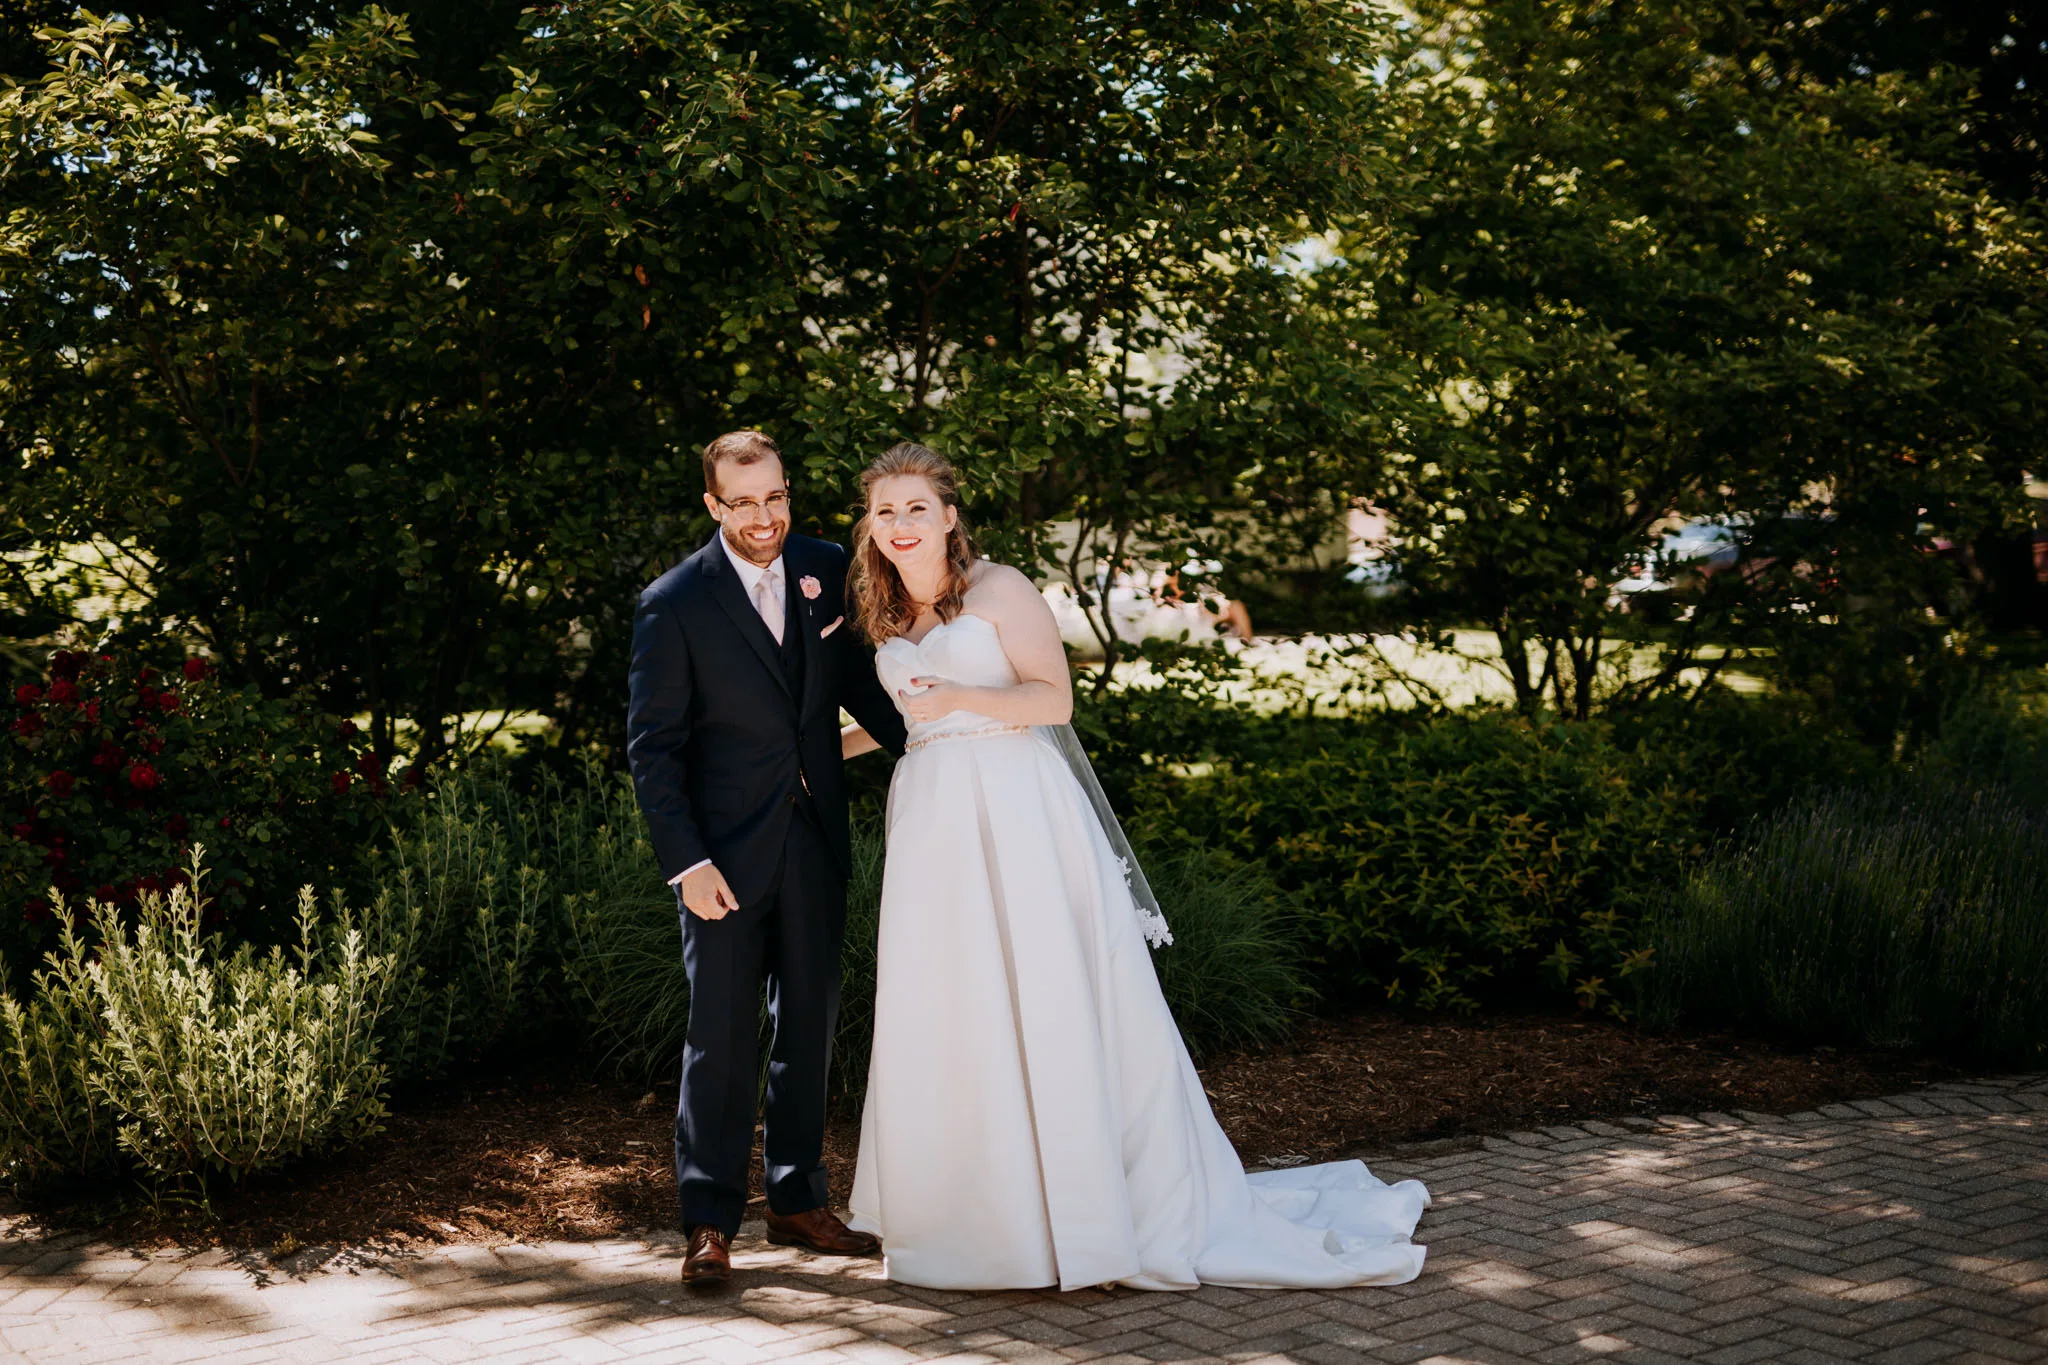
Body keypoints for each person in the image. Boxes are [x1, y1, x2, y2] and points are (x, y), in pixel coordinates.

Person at [839, 441, 1429, 1291]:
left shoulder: (999, 588)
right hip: (934, 819)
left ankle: (1084, 1217)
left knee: (1046, 992)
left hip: (1018, 806)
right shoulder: (887, 611)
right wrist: (821, 752)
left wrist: (961, 695)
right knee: (955, 998)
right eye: (885, 510)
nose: (900, 524)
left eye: (916, 507)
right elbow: (906, 718)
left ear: (950, 514)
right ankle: (979, 1213)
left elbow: (1053, 698)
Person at [626, 430, 907, 1286]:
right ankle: (709, 1220)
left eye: (775, 496)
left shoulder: (826, 566)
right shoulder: (673, 602)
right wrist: (687, 864)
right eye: (743, 501)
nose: (763, 516)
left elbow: (865, 688)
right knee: (720, 1038)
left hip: (816, 841)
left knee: (810, 1027)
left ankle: (796, 1197)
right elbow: (654, 750)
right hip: (723, 859)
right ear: (714, 505)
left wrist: (943, 746)